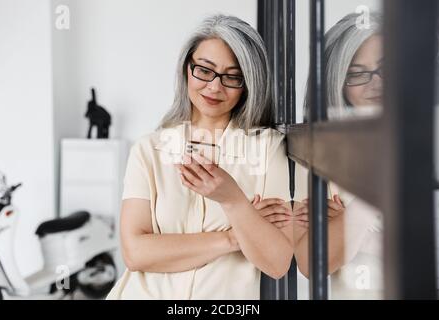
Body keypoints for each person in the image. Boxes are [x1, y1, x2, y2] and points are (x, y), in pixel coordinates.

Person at [106, 14, 307, 300]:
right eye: (204, 70)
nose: (214, 87)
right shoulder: (148, 150)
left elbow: (276, 262)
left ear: (248, 84)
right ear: (187, 69)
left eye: (232, 77)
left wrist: (232, 199)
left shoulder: (270, 149)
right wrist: (232, 237)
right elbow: (136, 253)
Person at [297, 12, 384, 297]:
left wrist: (354, 228)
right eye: (357, 74)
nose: (376, 83)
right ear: (337, 80)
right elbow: (315, 262)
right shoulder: (318, 154)